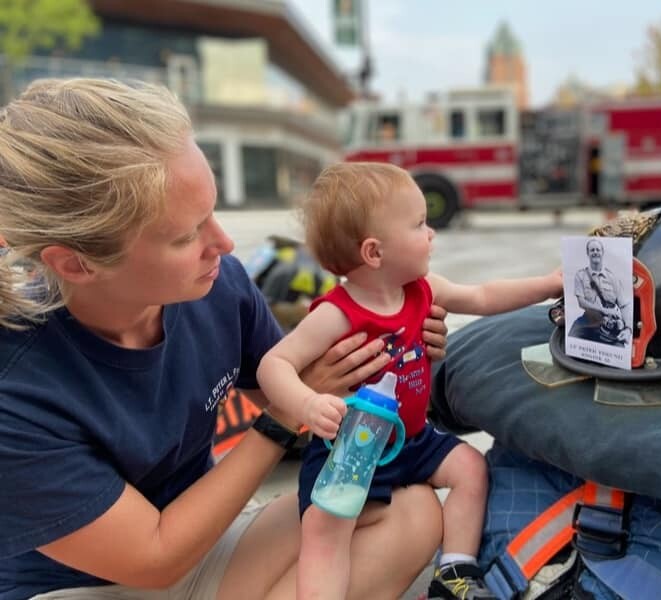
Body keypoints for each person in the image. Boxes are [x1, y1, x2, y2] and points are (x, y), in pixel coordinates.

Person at [0, 78, 452, 600]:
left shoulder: (218, 287)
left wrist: (392, 349)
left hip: (203, 544)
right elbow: (153, 557)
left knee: (409, 509)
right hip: (85, 584)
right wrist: (283, 418)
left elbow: (315, 399)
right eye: (187, 235)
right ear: (75, 263)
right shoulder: (17, 389)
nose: (224, 242)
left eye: (212, 213)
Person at [256, 161, 563, 599]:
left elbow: (483, 296)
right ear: (374, 252)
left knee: (470, 468)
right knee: (326, 536)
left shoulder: (422, 288)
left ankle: (455, 571)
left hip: (414, 440)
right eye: (419, 224)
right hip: (349, 448)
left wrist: (549, 283)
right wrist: (307, 404)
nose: (431, 233)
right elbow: (274, 364)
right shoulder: (337, 314)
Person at [568, 238, 631, 346]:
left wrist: (628, 330)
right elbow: (581, 302)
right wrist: (604, 310)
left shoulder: (612, 277)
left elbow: (624, 305)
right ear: (588, 253)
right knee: (571, 341)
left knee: (619, 351)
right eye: (592, 250)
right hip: (588, 320)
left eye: (598, 250)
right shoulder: (580, 275)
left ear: (602, 253)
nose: (595, 252)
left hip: (610, 325)